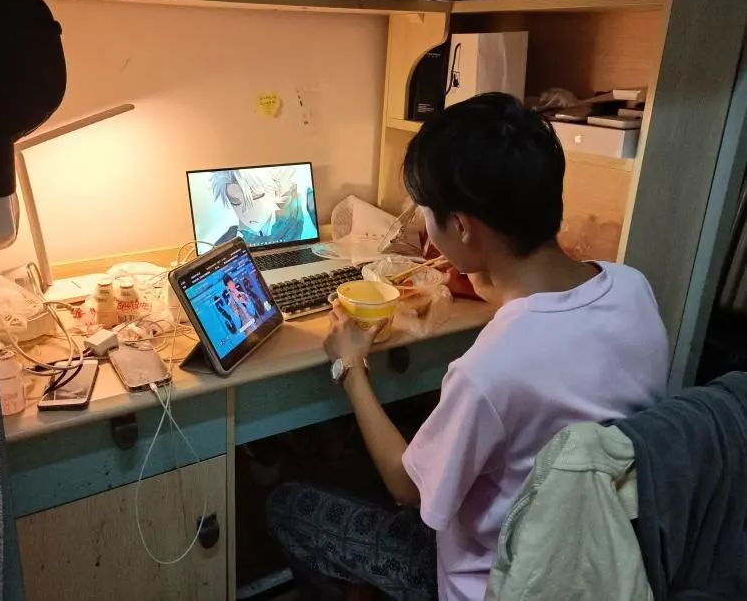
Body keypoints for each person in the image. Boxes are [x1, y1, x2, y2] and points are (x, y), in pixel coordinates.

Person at [267, 93, 669, 600]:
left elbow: (406, 487)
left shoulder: (490, 368)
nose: (424, 226)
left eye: (425, 213)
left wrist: (349, 366)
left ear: (460, 227)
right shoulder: (632, 287)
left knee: (287, 505)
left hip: (497, 579)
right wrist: (489, 279)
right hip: (600, 555)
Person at [210, 167, 318, 248]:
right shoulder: (228, 240)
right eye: (236, 203)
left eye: (256, 197)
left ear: (274, 191)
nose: (246, 211)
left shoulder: (302, 218)